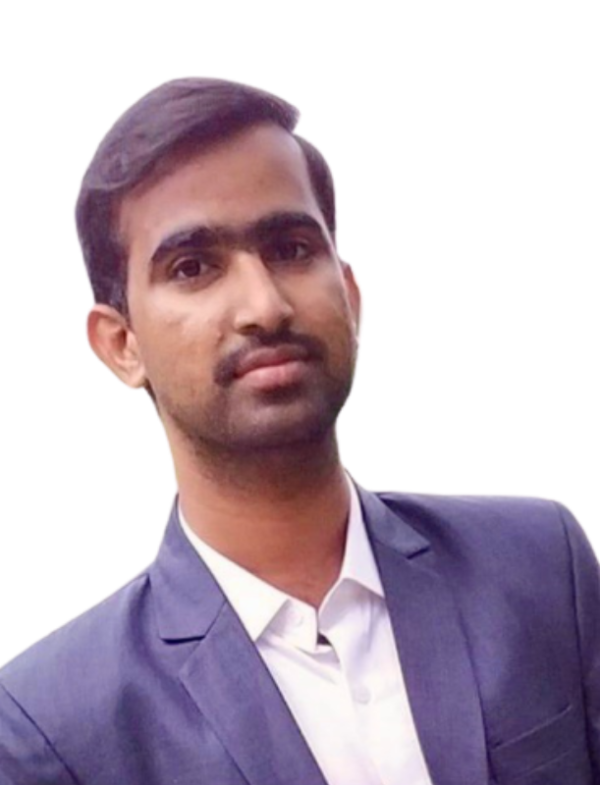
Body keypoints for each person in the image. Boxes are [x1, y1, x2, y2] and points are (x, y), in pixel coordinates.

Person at [0, 76, 597, 785]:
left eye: (289, 248)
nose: (264, 304)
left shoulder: (537, 566)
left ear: (351, 297)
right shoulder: (52, 723)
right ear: (121, 345)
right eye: (193, 267)